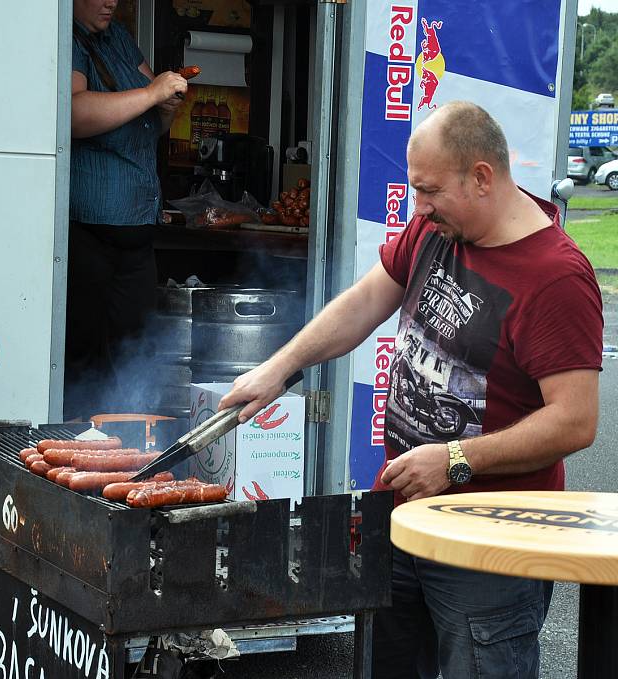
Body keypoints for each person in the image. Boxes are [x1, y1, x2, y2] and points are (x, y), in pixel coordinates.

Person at [218, 101, 603, 678]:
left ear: (481, 177)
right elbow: (366, 300)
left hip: (489, 548)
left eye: (429, 191)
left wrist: (454, 459)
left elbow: (575, 420)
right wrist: (280, 367)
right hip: (403, 517)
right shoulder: (436, 229)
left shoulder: (557, 277)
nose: (417, 206)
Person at [65, 0, 188, 419]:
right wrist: (153, 93)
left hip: (136, 233)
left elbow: (152, 116)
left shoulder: (118, 37)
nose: (110, 2)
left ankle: (132, 448)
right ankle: (77, 448)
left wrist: (166, 107)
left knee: (136, 355)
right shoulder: (70, 38)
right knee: (86, 358)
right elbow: (75, 113)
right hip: (89, 232)